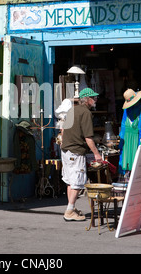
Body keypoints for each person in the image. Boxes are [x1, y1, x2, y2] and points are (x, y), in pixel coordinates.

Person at [61, 87, 103, 221]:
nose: (96, 99)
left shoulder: (72, 110)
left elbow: (62, 130)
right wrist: (97, 154)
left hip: (66, 150)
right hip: (76, 151)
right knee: (77, 182)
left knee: (70, 181)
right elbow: (88, 137)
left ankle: (71, 208)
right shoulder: (85, 113)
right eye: (94, 97)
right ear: (87, 99)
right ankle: (69, 211)